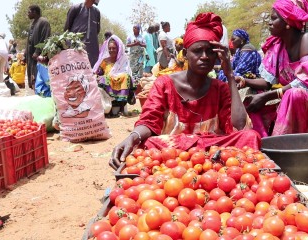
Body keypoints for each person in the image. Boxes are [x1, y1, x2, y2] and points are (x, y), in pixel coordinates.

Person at [109, 12, 261, 169]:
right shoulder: (164, 84)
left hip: (212, 154)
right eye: (197, 51)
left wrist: (229, 75)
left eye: (210, 51)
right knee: (146, 142)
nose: (205, 57)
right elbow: (149, 120)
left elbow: (241, 126)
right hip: (172, 153)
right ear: (186, 53)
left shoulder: (220, 88)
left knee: (250, 136)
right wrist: (133, 136)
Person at [241, 0, 308, 137]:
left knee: (293, 94)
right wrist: (243, 81)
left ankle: (281, 145)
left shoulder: (307, 40)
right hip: (289, 100)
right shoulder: (278, 47)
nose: (269, 23)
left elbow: (305, 82)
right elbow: (267, 82)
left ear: (287, 22)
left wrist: (267, 95)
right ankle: (261, 139)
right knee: (250, 95)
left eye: (274, 19)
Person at [93, 35, 133, 117]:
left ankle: (121, 107)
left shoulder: (123, 61)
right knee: (104, 79)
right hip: (108, 88)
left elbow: (127, 73)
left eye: (114, 48)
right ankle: (109, 109)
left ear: (118, 48)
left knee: (126, 77)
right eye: (110, 48)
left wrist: (114, 77)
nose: (111, 50)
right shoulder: (105, 61)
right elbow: (98, 73)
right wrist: (97, 77)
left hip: (120, 85)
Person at [64, 0, 101, 68]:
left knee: (90, 73)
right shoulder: (76, 8)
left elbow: (97, 31)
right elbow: (66, 30)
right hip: (75, 50)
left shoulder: (97, 12)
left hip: (91, 51)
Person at [25, 5, 51, 89]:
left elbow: (45, 38)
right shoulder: (32, 23)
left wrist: (37, 51)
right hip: (31, 55)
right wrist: (25, 53)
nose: (27, 14)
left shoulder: (44, 22)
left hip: (39, 56)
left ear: (34, 12)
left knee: (39, 75)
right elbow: (29, 39)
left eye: (29, 12)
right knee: (32, 75)